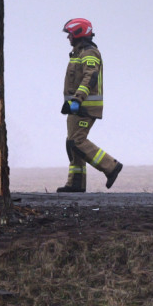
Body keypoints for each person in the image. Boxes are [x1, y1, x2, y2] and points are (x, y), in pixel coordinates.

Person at [58, 18, 123, 192]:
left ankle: (110, 166)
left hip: (84, 106)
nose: (68, 38)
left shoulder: (89, 53)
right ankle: (76, 183)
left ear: (78, 34)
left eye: (70, 34)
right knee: (71, 142)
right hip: (76, 105)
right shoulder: (78, 53)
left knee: (77, 141)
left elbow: (90, 77)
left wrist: (78, 99)